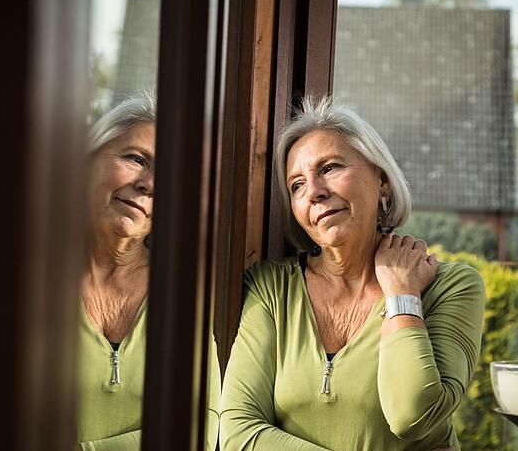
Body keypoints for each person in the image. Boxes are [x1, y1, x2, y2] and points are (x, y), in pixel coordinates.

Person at [220, 97, 485, 450]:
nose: (314, 191)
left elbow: (412, 416)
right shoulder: (272, 288)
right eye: (296, 185)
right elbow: (239, 430)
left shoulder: (451, 286)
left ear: (383, 183)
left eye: (329, 168)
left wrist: (402, 297)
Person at [78, 94, 220, 450]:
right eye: (136, 159)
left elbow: (199, 429)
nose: (149, 183)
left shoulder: (183, 294)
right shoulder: (29, 279)